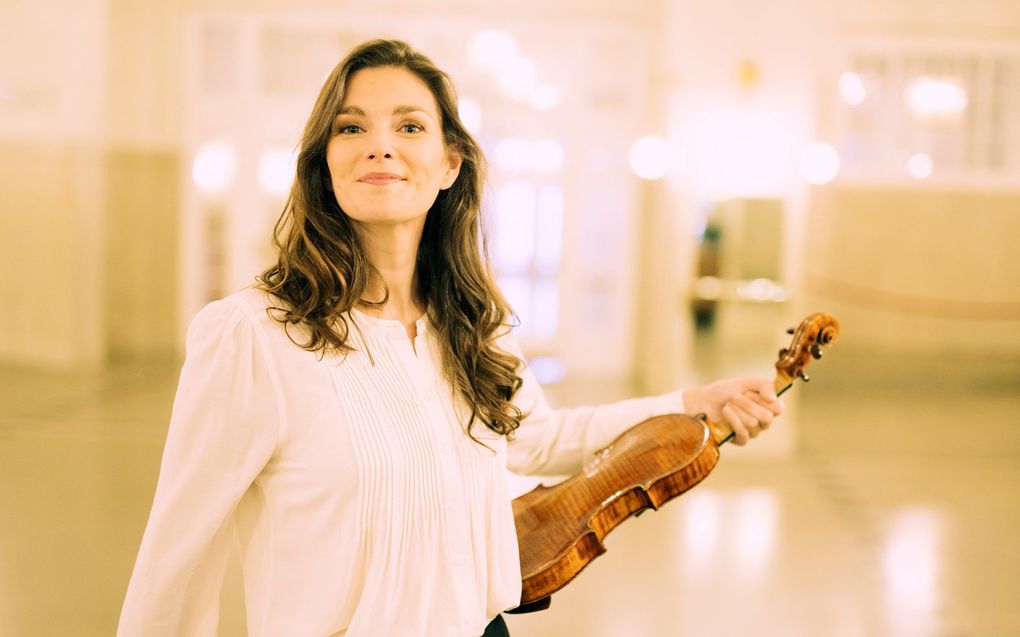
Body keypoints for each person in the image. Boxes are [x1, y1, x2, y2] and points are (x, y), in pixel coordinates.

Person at [117, 39, 783, 637]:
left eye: (409, 125)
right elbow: (180, 552)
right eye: (352, 127)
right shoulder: (252, 336)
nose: (381, 144)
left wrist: (697, 401)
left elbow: (536, 437)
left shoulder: (470, 321)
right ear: (325, 163)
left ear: (448, 164)